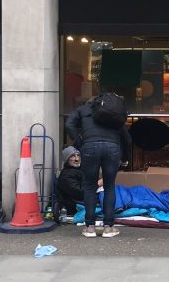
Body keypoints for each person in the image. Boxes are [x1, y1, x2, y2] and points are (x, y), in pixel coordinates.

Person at [65, 94, 132, 238]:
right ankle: (108, 228)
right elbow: (127, 139)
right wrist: (125, 158)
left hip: (89, 148)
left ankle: (90, 228)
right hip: (112, 149)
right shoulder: (113, 114)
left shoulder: (82, 110)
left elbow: (69, 124)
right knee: (109, 186)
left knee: (89, 186)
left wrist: (79, 143)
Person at [55, 146, 84, 219]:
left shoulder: (79, 170)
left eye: (78, 155)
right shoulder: (66, 175)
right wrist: (97, 184)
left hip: (83, 200)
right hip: (75, 206)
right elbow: (79, 193)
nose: (77, 159)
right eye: (73, 156)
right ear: (67, 159)